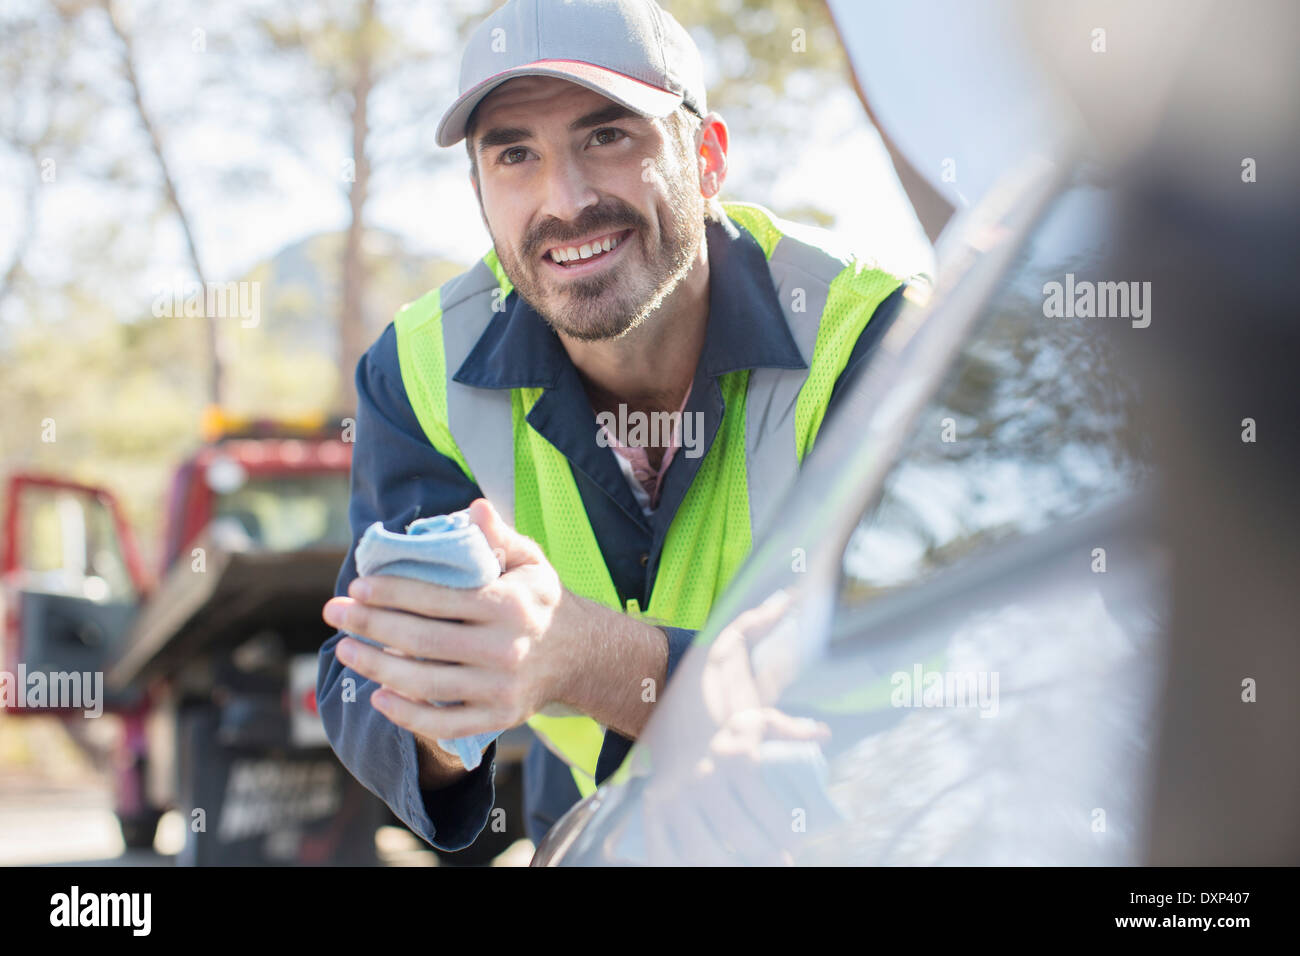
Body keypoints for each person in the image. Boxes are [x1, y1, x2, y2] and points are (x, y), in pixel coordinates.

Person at [317, 0, 909, 852]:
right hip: (593, 834)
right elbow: (358, 674)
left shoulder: (866, 338)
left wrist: (583, 655)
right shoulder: (416, 368)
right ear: (480, 193)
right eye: (514, 153)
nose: (567, 201)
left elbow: (920, 670)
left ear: (706, 160)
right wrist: (450, 694)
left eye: (609, 137)